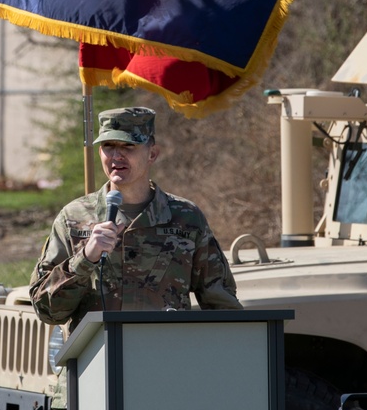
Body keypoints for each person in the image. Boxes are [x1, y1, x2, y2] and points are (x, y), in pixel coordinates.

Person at [30, 106, 242, 329]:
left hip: (164, 355)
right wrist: (86, 258)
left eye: (128, 146)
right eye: (108, 146)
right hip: (96, 358)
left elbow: (222, 305)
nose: (116, 156)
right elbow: (47, 311)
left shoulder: (186, 218)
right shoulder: (73, 218)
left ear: (152, 154)